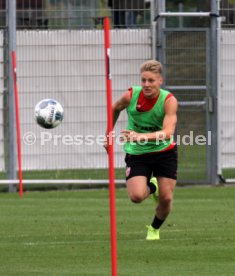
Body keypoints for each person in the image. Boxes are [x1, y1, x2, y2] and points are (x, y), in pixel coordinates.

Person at [104, 60, 178, 240]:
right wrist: (108, 134)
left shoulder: (169, 101)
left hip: (164, 152)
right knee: (136, 196)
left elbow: (168, 133)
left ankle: (154, 228)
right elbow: (115, 108)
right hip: (137, 153)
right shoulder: (131, 96)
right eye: (143, 80)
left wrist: (140, 136)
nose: (146, 85)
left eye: (151, 81)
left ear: (160, 81)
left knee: (166, 199)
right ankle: (153, 185)